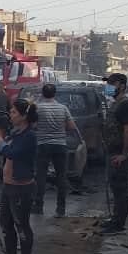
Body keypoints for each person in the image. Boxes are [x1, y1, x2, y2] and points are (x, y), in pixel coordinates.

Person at [0, 98, 38, 254]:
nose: (10, 115)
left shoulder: (29, 136)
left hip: (21, 187)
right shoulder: (17, 133)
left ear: (24, 116)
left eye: (14, 112)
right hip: (9, 185)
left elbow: (11, 153)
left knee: (21, 224)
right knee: (6, 222)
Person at [32, 83, 80, 217]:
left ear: (42, 94)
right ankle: (60, 209)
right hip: (60, 145)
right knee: (61, 177)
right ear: (55, 94)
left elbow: (34, 125)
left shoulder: (38, 108)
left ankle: (38, 205)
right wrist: (59, 126)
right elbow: (71, 126)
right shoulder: (63, 108)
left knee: (40, 176)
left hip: (43, 145)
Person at [100, 73, 128, 235]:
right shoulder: (116, 103)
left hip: (119, 154)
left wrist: (124, 153)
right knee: (115, 186)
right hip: (113, 151)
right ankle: (115, 218)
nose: (108, 86)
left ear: (121, 85)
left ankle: (118, 223)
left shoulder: (125, 105)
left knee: (120, 187)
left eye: (111, 84)